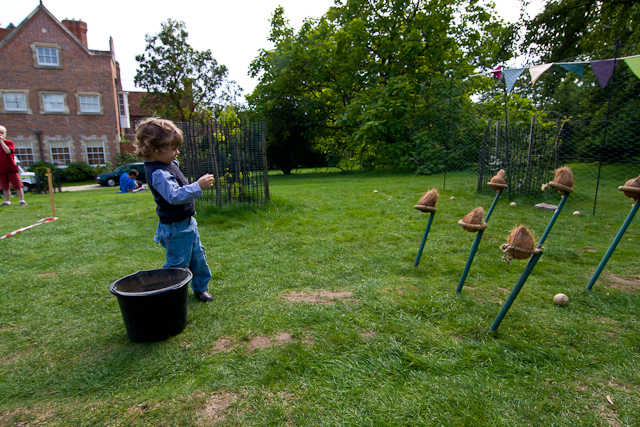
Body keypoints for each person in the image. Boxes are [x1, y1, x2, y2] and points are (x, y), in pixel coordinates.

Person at [133, 117, 215, 302]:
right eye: (173, 149)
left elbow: (173, 167)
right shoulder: (158, 173)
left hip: (188, 224)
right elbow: (175, 196)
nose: (177, 153)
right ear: (155, 150)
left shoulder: (165, 164)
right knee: (177, 264)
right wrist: (197, 186)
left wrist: (173, 159)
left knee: (198, 258)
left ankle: (201, 288)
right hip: (175, 229)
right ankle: (167, 294)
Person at [0, 125, 26, 206]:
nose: (0, 135)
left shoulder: (9, 143)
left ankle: (22, 200)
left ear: (5, 134)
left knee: (17, 185)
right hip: (1, 169)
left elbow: (8, 151)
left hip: (11, 168)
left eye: (2, 133)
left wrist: (1, 141)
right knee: (4, 187)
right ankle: (7, 201)